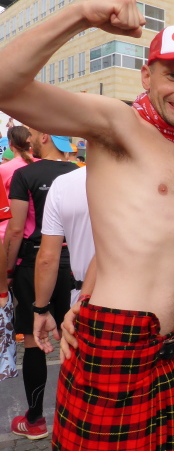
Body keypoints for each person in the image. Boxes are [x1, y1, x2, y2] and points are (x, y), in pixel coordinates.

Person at [0, 0, 174, 450]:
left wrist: (82, 299)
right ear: (146, 75)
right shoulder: (118, 123)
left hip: (170, 348)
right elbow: (4, 86)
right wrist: (82, 15)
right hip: (117, 346)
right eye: (173, 76)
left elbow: (133, 237)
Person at [5, 130, 78, 440]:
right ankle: (78, 415)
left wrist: (7, 272)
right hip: (76, 263)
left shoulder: (25, 174)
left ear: (45, 136)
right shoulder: (81, 172)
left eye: (34, 132)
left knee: (35, 340)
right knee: (75, 338)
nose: (30, 138)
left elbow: (16, 229)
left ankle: (35, 420)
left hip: (35, 263)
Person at [33, 165, 92, 356]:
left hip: (82, 302)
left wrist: (41, 309)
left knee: (81, 369)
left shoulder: (64, 183)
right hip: (145, 299)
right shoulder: (144, 176)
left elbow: (47, 258)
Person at [0, 126, 35, 240]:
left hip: (7, 231)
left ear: (10, 144)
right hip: (33, 231)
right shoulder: (41, 165)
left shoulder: (4, 169)